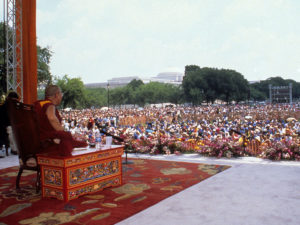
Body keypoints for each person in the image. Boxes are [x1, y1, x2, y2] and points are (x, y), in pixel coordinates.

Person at [34, 85, 87, 156]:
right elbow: (51, 118)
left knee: (69, 137)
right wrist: (64, 133)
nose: (61, 97)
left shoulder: (39, 104)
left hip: (37, 139)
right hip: (48, 141)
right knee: (78, 141)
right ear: (57, 95)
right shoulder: (49, 105)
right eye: (61, 94)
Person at [0, 91, 20, 156]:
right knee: (11, 131)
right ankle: (14, 149)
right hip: (6, 126)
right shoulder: (3, 107)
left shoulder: (17, 107)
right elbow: (4, 120)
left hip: (15, 125)